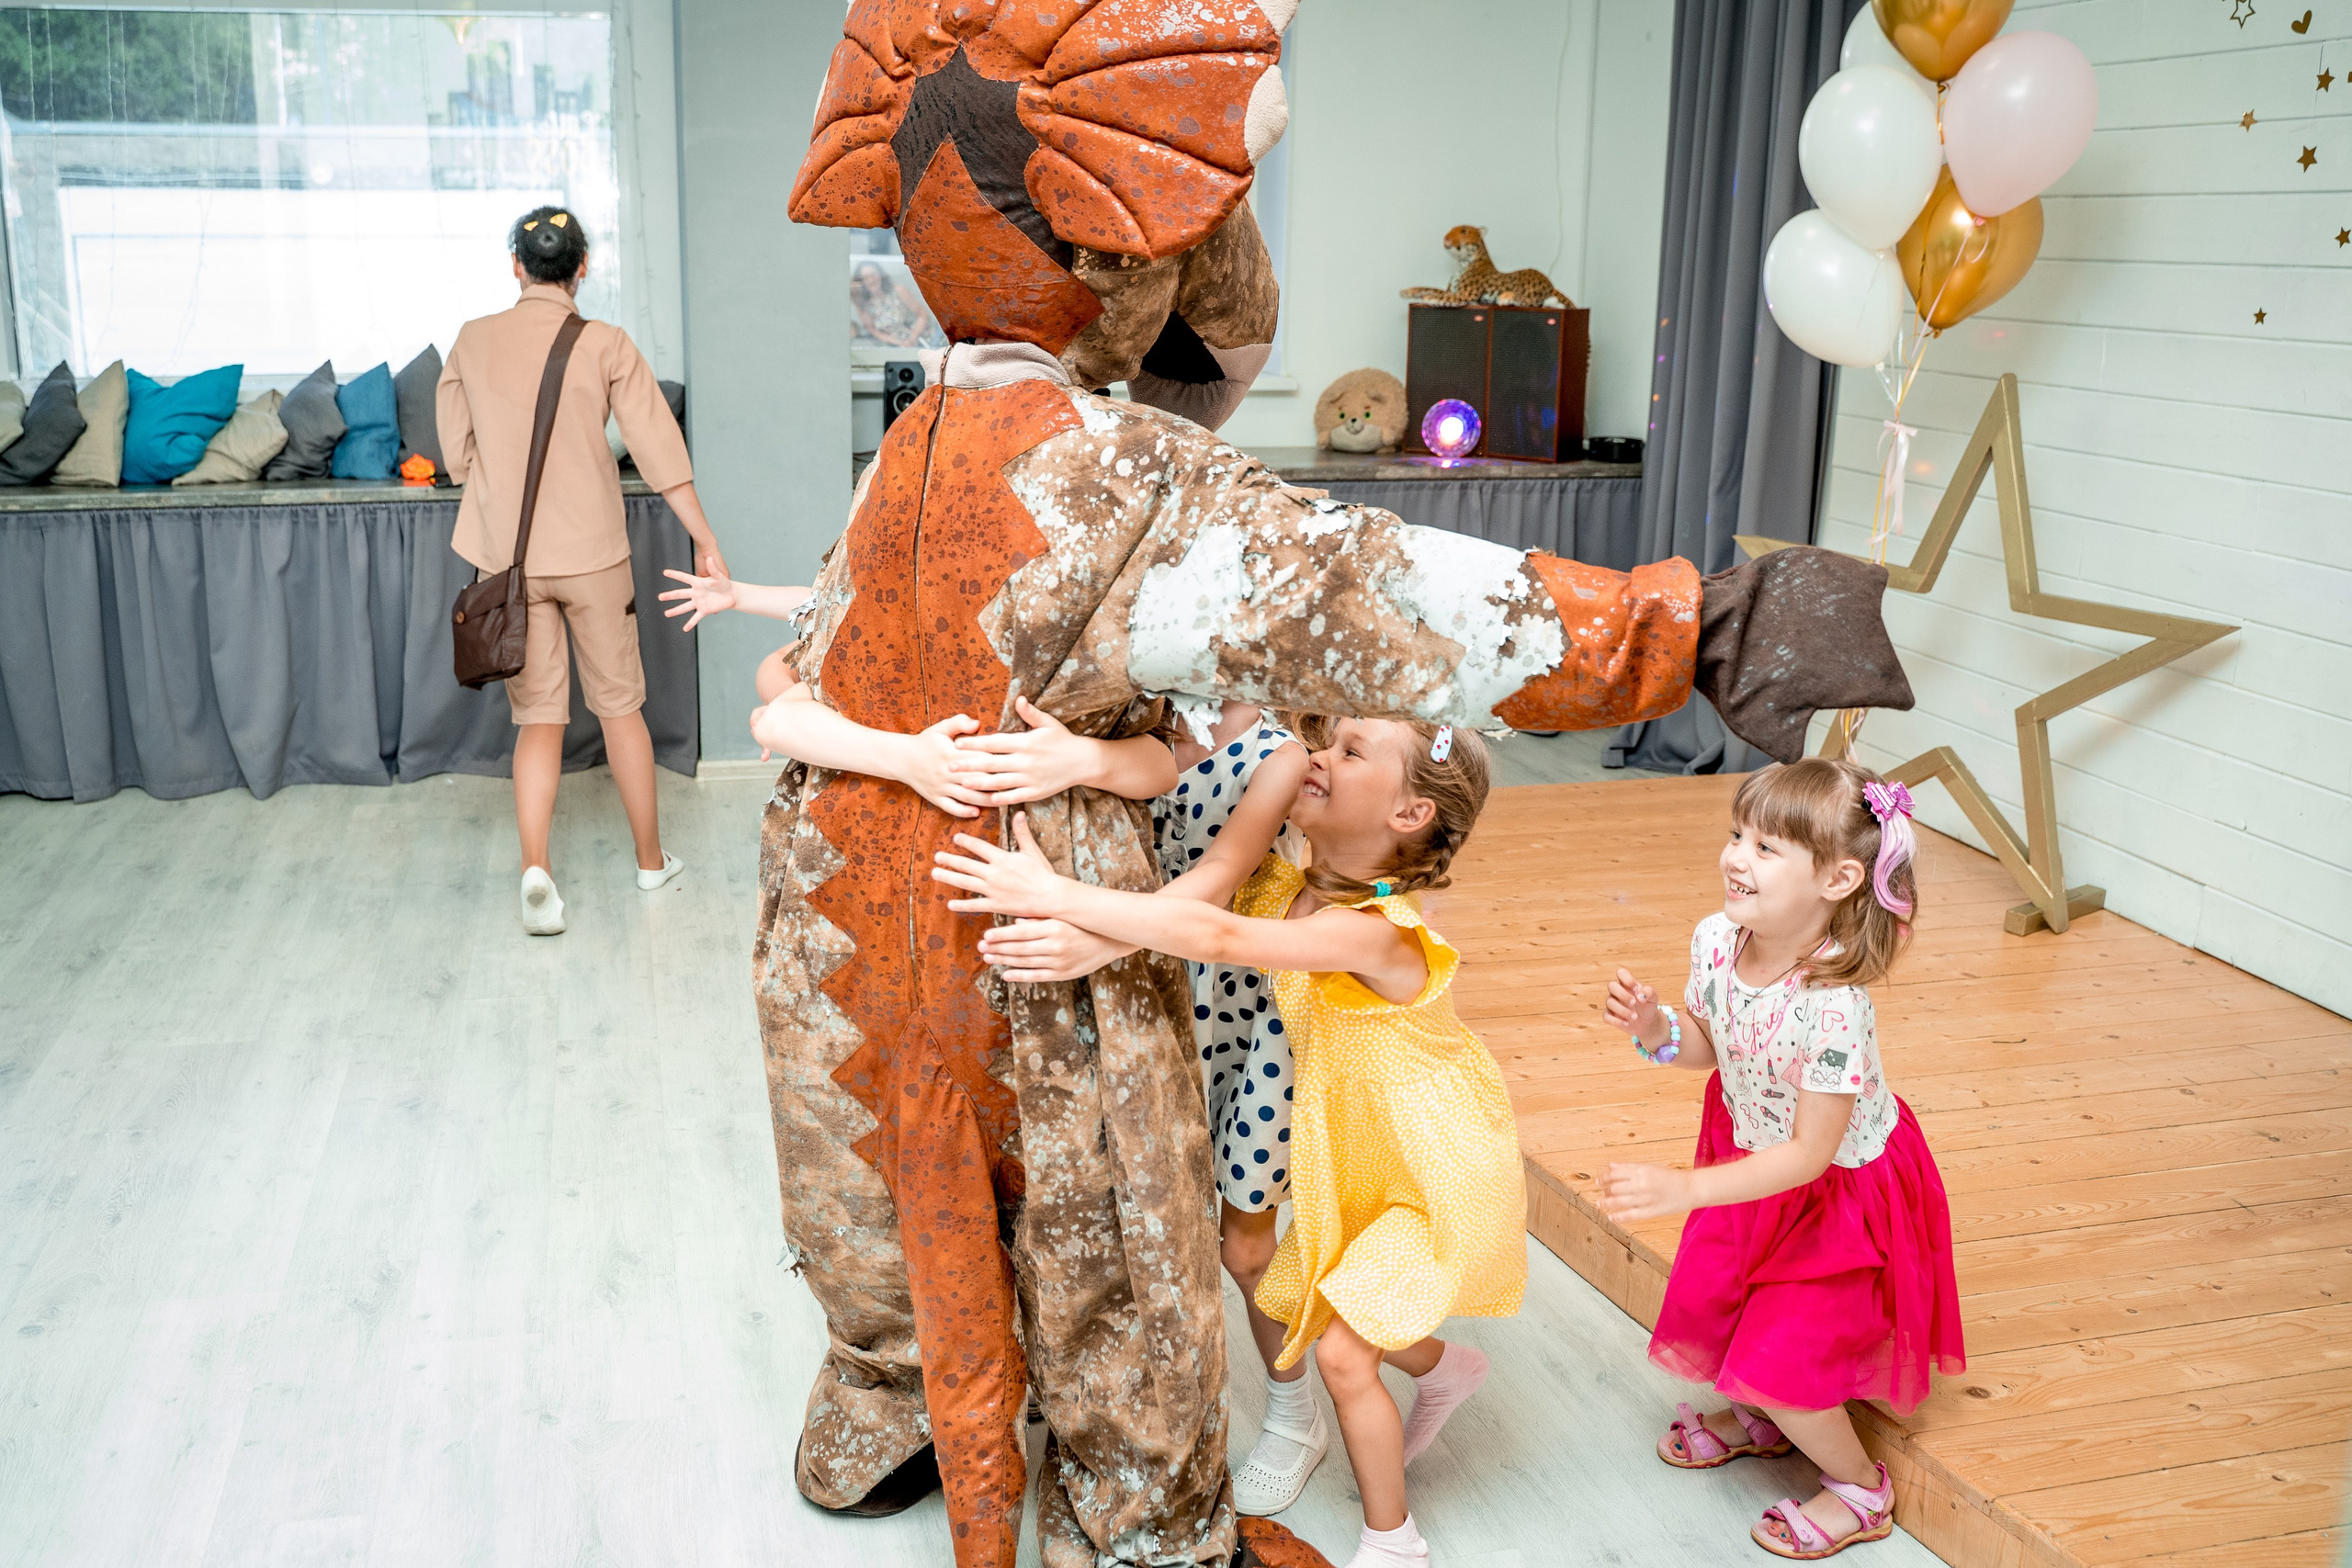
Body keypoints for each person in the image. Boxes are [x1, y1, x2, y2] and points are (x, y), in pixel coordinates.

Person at [936, 717, 1522, 1568]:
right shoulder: (1289, 877)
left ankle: (1395, 1543)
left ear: (1410, 815)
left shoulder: (1379, 928)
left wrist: (1052, 895)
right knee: (1315, 1291)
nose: (1319, 754)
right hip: (1345, 1142)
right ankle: (1442, 1368)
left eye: (1351, 752)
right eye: (1329, 739)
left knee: (1340, 1343)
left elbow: (1216, 936)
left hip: (1424, 1161)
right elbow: (1205, 893)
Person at [1599, 759, 1965, 1561]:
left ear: (1837, 878)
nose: (1737, 856)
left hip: (1832, 1193)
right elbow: (1708, 1048)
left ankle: (1861, 1490)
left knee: (1785, 1352)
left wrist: (1683, 1187)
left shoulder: (1832, 1005)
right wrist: (1657, 1028)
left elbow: (1810, 1154)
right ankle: (1767, 1419)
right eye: (1738, 833)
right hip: (1746, 1157)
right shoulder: (1717, 938)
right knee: (1736, 1310)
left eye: (1768, 847)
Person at [978, 701, 1324, 1515]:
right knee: (1110, 1205)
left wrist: (1093, 934)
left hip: (1234, 1004)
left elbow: (1214, 884)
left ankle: (1296, 1410)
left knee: (1243, 1246)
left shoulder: (1277, 752)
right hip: (1133, 995)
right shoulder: (1133, 709)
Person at [437, 204, 728, 936]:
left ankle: (536, 867)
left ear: (515, 265)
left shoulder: (471, 342)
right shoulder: (604, 343)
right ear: (583, 267)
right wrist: (704, 538)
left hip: (512, 563)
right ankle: (651, 863)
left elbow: (456, 455)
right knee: (620, 708)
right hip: (594, 554)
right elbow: (658, 449)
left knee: (537, 720)